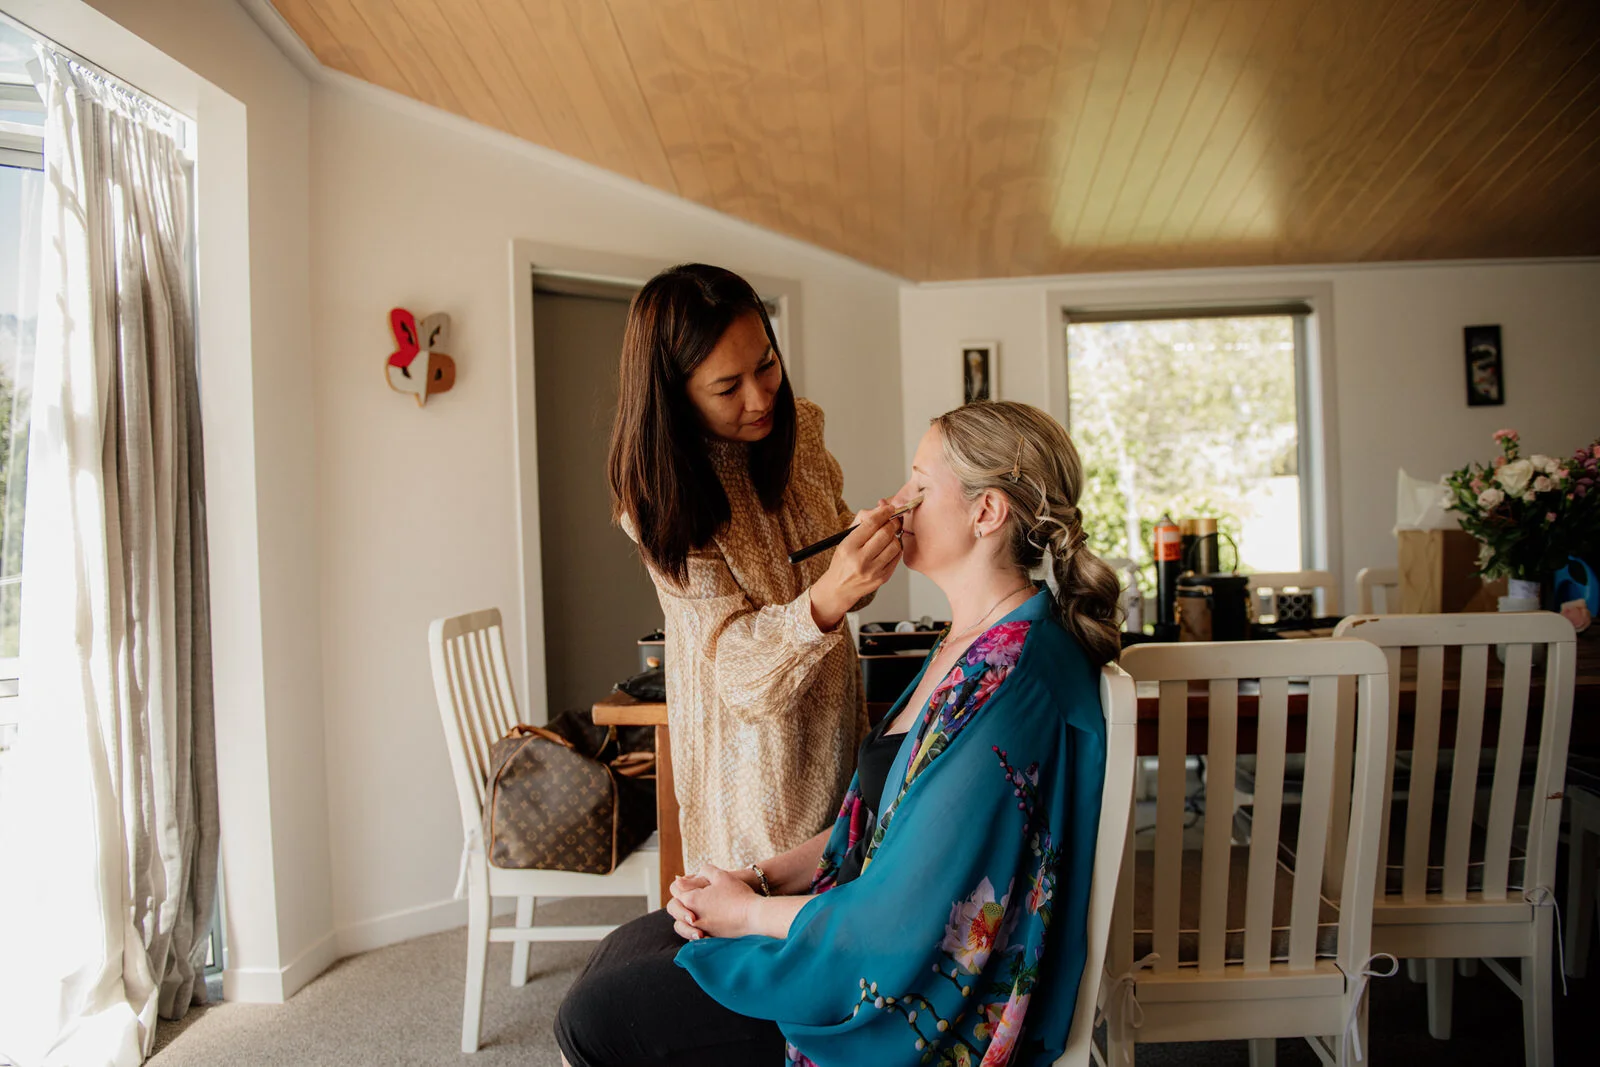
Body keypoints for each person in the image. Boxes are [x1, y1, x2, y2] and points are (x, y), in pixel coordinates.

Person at [561, 400, 1123, 1067]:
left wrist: (744, 914)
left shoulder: (1008, 686)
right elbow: (885, 823)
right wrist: (759, 877)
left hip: (899, 995)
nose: (894, 500)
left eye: (917, 483)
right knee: (626, 950)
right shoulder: (966, 642)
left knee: (595, 1017)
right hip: (860, 930)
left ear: (987, 512)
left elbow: (897, 921)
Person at [606, 263, 903, 879]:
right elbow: (740, 673)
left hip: (837, 728)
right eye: (727, 386)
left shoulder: (802, 431)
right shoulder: (661, 502)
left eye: (767, 364)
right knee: (770, 935)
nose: (762, 397)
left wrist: (861, 548)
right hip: (751, 768)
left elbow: (828, 557)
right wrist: (828, 596)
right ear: (675, 394)